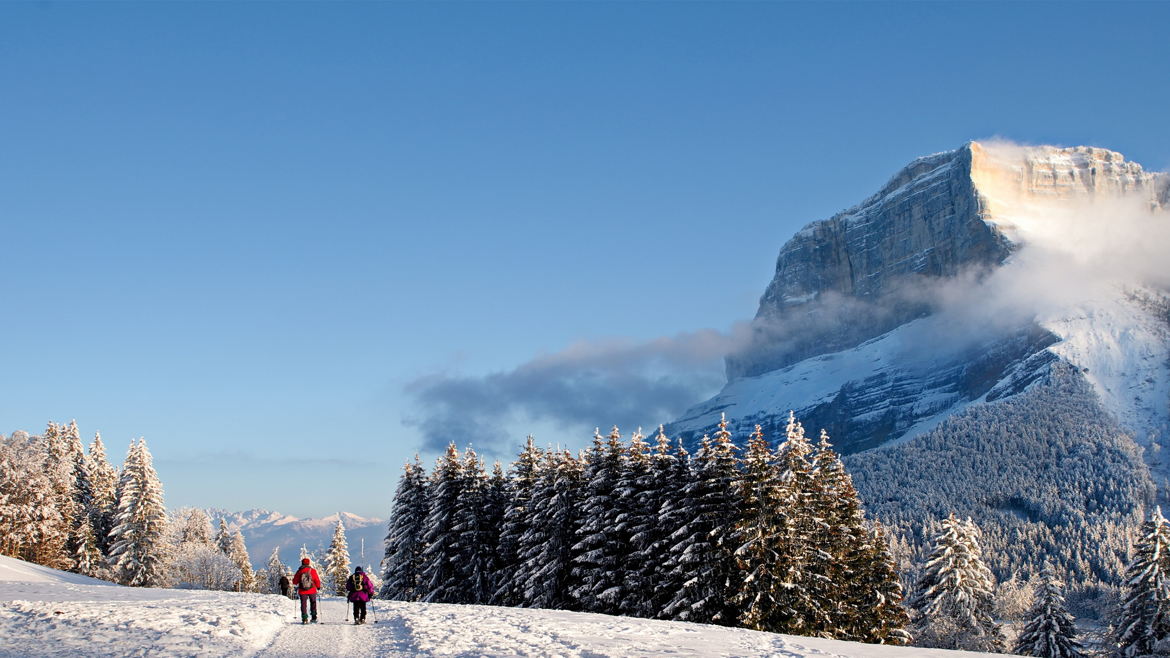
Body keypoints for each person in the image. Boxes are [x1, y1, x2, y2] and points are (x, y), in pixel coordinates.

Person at [293, 558, 322, 624]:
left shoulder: (299, 571)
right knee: (313, 602)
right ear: (308, 563)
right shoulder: (312, 571)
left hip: (302, 590)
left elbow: (294, 582)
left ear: (302, 563)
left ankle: (304, 619)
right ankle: (314, 618)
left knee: (303, 604)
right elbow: (317, 580)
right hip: (312, 590)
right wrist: (318, 587)